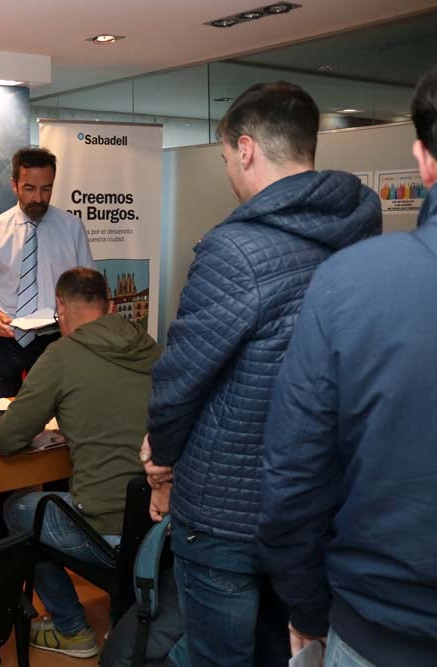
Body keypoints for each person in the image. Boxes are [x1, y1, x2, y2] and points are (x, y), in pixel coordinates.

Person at [141, 81, 382, 667]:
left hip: (227, 508)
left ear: (246, 148)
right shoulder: (360, 236)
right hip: (316, 503)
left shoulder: (235, 250)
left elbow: (180, 380)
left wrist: (160, 463)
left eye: (224, 157)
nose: (227, 171)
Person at [256, 66, 437, 667]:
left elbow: (296, 474)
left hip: (381, 631)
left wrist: (306, 609)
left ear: (422, 159)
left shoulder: (352, 284)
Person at [0, 267, 159, 659]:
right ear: (109, 304)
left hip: (104, 528)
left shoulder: (61, 355)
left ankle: (72, 629)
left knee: (17, 509)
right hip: (161, 521)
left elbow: (7, 439)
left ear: (61, 308)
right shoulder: (150, 346)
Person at [0, 147, 93, 397]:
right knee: (1, 413)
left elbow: (86, 286)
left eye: (46, 189)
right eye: (30, 188)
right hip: (5, 337)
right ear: (14, 185)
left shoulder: (72, 228)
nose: (38, 198)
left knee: (54, 412)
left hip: (54, 339)